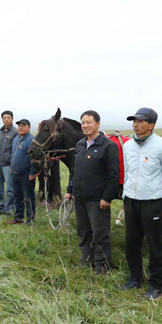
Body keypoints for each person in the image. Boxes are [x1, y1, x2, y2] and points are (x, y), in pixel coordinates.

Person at [120, 108, 162, 300]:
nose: (136, 124)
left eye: (141, 121)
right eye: (134, 121)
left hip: (153, 202)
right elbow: (127, 173)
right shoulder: (128, 146)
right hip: (131, 201)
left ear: (151, 125)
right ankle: (135, 278)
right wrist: (124, 198)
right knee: (131, 243)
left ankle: (156, 285)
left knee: (155, 245)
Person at [63, 111, 120, 273]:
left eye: (89, 122)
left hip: (98, 199)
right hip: (80, 197)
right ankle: (86, 259)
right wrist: (70, 190)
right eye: (83, 122)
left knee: (100, 233)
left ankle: (101, 265)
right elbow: (74, 170)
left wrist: (107, 197)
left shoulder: (108, 146)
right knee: (83, 231)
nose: (85, 126)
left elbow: (113, 175)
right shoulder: (80, 145)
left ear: (98, 124)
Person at [8, 119, 37, 224]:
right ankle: (18, 217)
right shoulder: (16, 139)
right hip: (15, 173)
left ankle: (30, 219)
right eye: (19, 125)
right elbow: (13, 155)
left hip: (26, 174)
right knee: (17, 196)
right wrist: (12, 166)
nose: (20, 127)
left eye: (23, 125)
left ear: (29, 127)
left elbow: (35, 158)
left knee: (28, 197)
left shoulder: (32, 140)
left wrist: (32, 172)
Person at [0, 110, 16, 215]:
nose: (6, 119)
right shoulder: (0, 132)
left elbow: (15, 151)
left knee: (10, 188)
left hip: (8, 164)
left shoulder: (15, 132)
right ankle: (0, 208)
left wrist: (13, 165)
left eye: (8, 117)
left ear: (12, 119)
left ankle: (10, 209)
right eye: (4, 118)